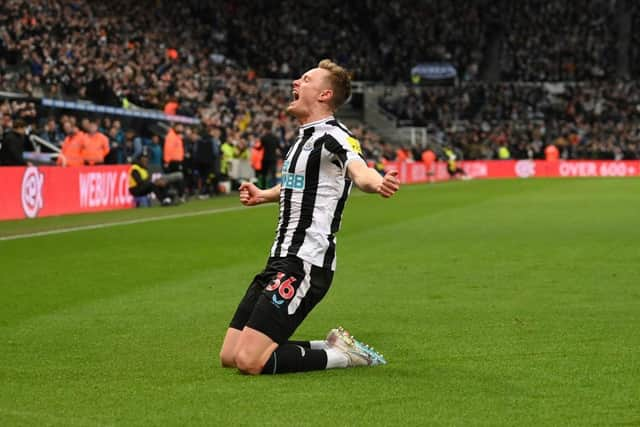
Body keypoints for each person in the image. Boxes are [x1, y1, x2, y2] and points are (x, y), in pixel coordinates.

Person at [219, 60, 400, 376]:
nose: (295, 83)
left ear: (325, 94)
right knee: (231, 355)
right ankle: (331, 346)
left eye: (305, 79)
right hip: (279, 259)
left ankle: (344, 357)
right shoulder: (302, 139)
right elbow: (297, 186)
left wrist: (377, 182)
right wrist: (264, 194)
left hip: (305, 262)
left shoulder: (336, 137)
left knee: (250, 361)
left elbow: (359, 170)